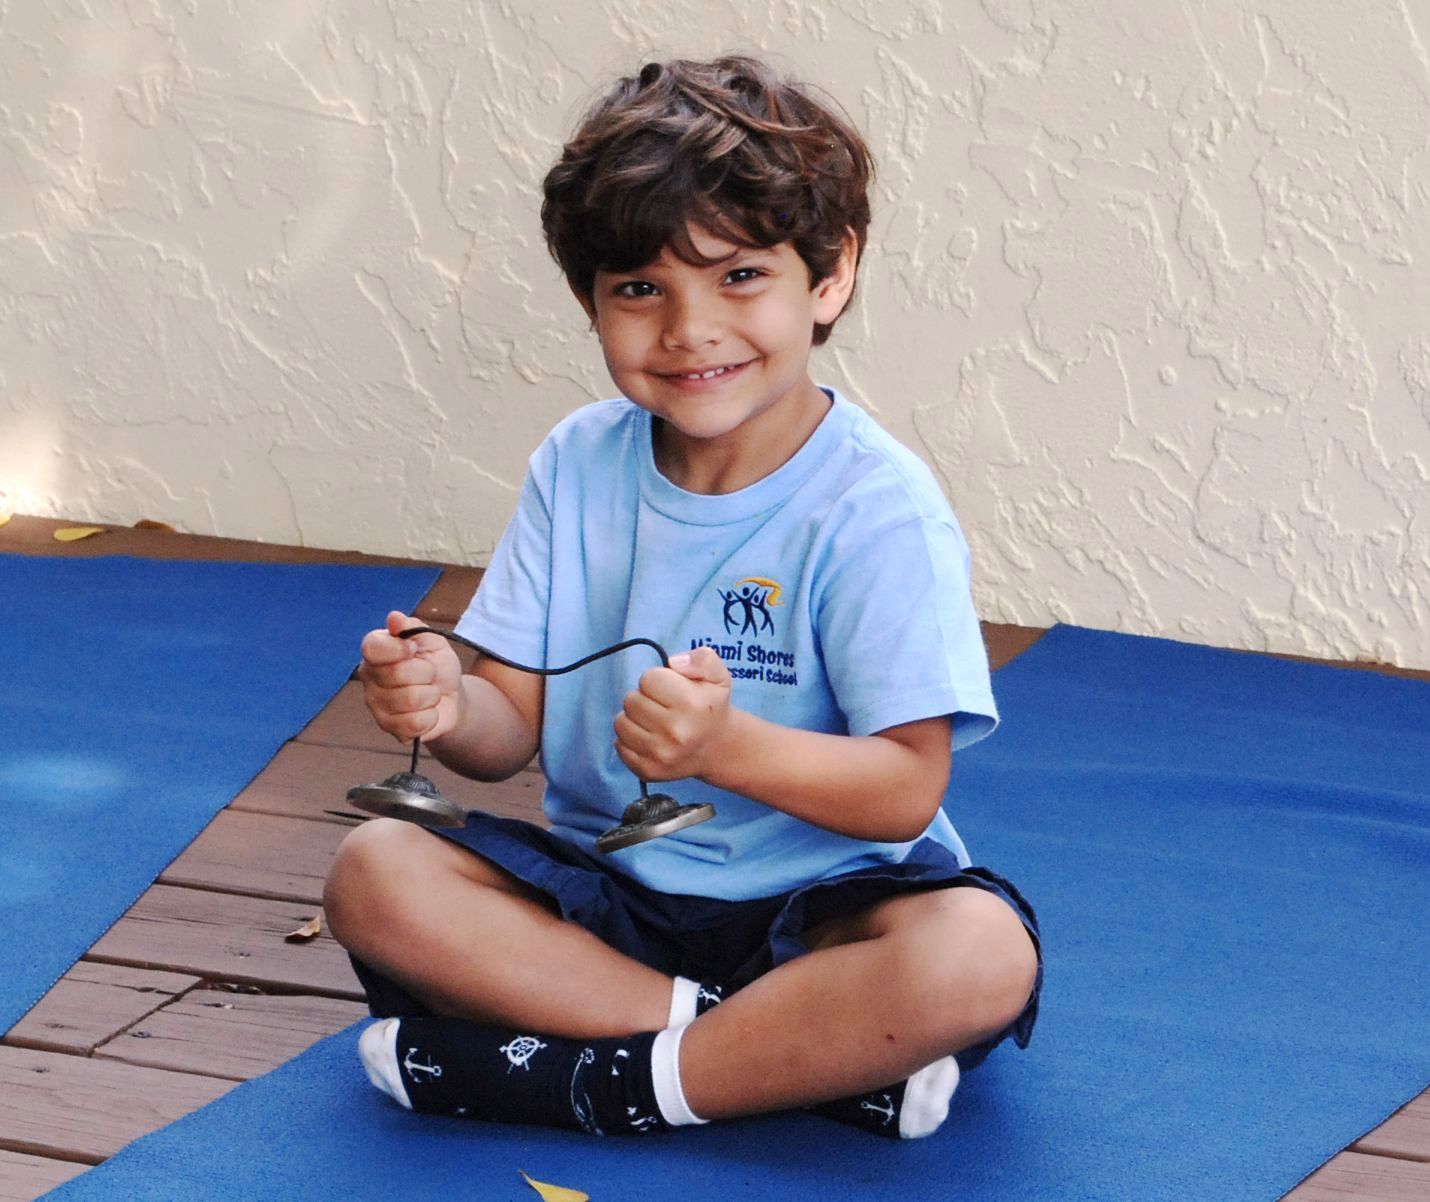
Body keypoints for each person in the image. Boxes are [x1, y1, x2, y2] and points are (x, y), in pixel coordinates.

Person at [322, 54, 1041, 1143]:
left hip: (829, 908)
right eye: (641, 289)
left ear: (830, 275)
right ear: (590, 299)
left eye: (741, 276)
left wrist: (723, 746)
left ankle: (598, 1079)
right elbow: (504, 726)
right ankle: (779, 1056)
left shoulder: (874, 507)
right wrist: (442, 701)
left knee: (982, 954)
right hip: (615, 903)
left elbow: (904, 789)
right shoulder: (577, 463)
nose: (690, 328)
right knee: (375, 870)